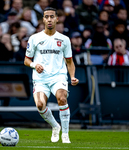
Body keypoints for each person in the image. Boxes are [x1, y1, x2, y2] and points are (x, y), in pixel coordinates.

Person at [24, 7, 79, 143]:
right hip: (40, 79)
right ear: (43, 19)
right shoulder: (34, 38)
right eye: (46, 17)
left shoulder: (64, 39)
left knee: (62, 99)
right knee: (40, 105)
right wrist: (34, 65)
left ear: (56, 19)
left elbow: (69, 61)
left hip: (58, 77)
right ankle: (55, 126)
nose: (49, 19)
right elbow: (26, 60)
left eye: (52, 17)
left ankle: (65, 135)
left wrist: (72, 76)